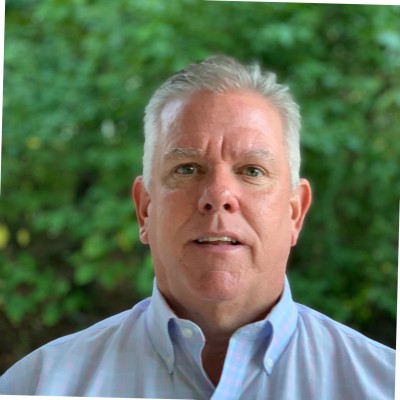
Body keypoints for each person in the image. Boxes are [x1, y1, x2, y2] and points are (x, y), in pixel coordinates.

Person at [0, 55, 395, 399]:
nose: (219, 194)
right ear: (145, 210)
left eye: (252, 170)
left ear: (295, 213)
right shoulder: (36, 386)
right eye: (187, 169)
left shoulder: (383, 384)